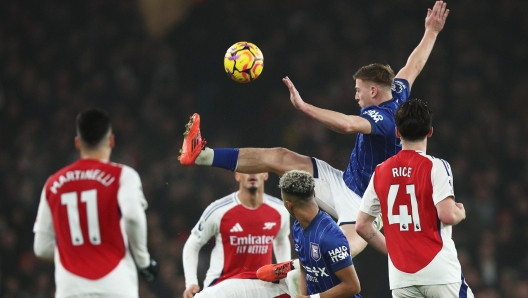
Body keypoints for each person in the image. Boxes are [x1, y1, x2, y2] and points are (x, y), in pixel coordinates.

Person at [178, 0, 450, 261]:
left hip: (368, 204)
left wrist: (304, 107)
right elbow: (414, 64)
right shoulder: (398, 91)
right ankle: (201, 155)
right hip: (344, 182)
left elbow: (346, 124)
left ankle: (293, 270)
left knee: (340, 251)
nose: (356, 96)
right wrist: (431, 31)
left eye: (358, 90)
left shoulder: (386, 118)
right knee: (281, 157)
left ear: (374, 90)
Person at [33, 109, 158, 297]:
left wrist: (73, 251)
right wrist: (144, 262)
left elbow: (41, 248)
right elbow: (132, 216)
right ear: (111, 141)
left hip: (71, 289)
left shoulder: (53, 183)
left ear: (77, 142)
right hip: (116, 285)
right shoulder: (123, 176)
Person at [355, 98, 474, 297]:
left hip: (401, 278)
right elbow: (448, 216)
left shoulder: (380, 171)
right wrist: (460, 212)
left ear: (397, 132)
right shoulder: (436, 166)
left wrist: (393, 251)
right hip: (439, 272)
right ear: (430, 132)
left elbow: (361, 225)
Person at [182, 172, 291, 298]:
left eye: (257, 168)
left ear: (265, 175)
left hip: (259, 289)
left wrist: (286, 276)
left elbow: (281, 241)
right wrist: (191, 282)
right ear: (237, 175)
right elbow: (193, 244)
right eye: (247, 169)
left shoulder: (280, 209)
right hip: (221, 287)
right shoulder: (218, 210)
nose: (252, 173)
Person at [279, 170, 361, 298]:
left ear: (288, 205)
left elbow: (353, 286)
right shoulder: (297, 228)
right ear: (314, 194)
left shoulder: (330, 236)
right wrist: (302, 295)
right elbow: (304, 268)